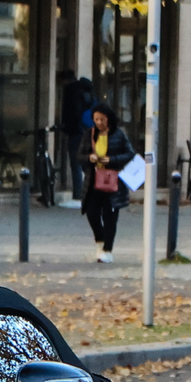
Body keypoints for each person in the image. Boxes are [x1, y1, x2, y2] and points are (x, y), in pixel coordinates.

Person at [80, 105, 134, 263]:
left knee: (110, 215)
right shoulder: (89, 134)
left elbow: (129, 153)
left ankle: (108, 249)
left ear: (109, 119)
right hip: (93, 180)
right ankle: (100, 239)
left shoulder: (119, 134)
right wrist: (89, 158)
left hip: (113, 181)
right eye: (96, 119)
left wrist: (112, 160)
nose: (99, 123)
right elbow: (79, 155)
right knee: (91, 212)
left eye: (102, 120)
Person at [56, 68, 91, 197]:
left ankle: (78, 193)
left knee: (76, 162)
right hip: (88, 130)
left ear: (65, 80)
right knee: (85, 163)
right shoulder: (85, 89)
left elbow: (72, 113)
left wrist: (65, 127)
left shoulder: (70, 90)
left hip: (76, 131)